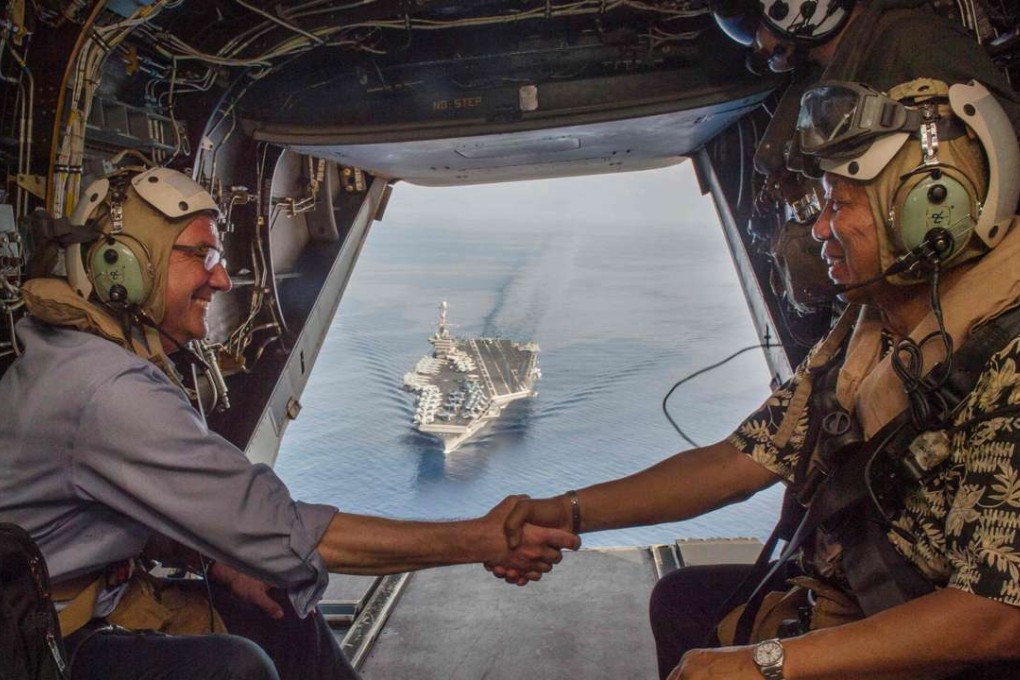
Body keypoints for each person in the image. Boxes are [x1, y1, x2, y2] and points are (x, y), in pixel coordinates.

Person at [493, 76, 1020, 679]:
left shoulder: (1005, 356)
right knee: (682, 603)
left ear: (932, 209)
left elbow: (999, 616)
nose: (819, 229)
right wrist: (565, 511)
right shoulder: (868, 331)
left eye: (840, 204)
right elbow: (738, 463)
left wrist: (764, 662)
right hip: (845, 595)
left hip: (953, 645)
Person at [0, 166, 580, 680]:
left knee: (275, 598)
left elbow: (98, 513)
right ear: (121, 265)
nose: (223, 279)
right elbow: (278, 528)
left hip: (72, 605)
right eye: (201, 254)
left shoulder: (79, 359)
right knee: (235, 670)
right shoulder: (105, 390)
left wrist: (213, 560)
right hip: (35, 641)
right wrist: (479, 538)